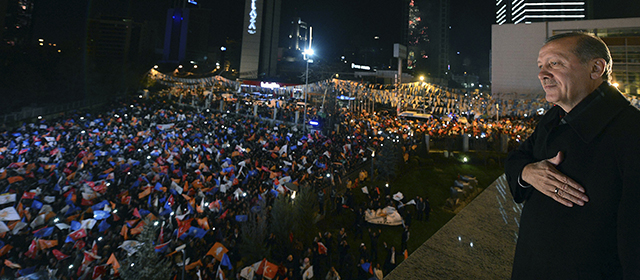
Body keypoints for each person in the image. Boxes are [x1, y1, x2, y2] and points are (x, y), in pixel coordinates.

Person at [505, 32, 640, 279]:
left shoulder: (631, 132)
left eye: (555, 63)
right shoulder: (551, 118)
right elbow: (516, 159)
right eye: (540, 66)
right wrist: (528, 172)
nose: (542, 74)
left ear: (596, 68)